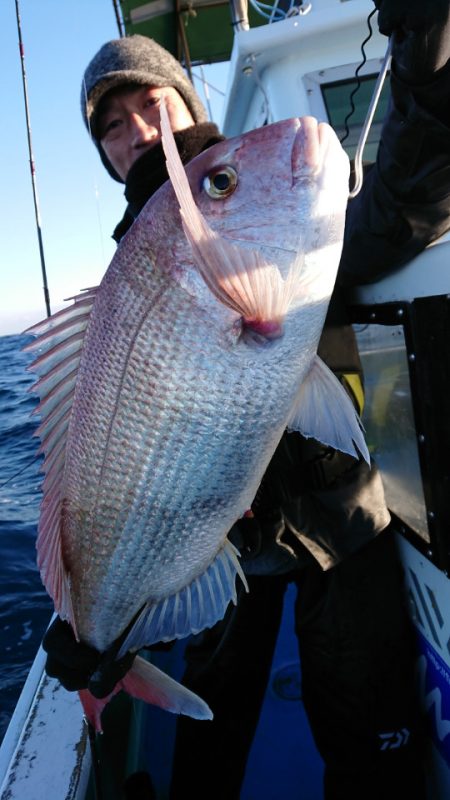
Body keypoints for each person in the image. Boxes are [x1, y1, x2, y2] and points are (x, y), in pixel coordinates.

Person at [42, 2, 450, 797]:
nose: (135, 128)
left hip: (341, 519)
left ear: (190, 106)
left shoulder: (283, 206)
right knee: (204, 759)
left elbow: (405, 198)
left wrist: (429, 45)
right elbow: (97, 467)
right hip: (223, 547)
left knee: (376, 749)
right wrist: (87, 619)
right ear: (104, 155)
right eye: (112, 125)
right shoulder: (130, 282)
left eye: (150, 101)